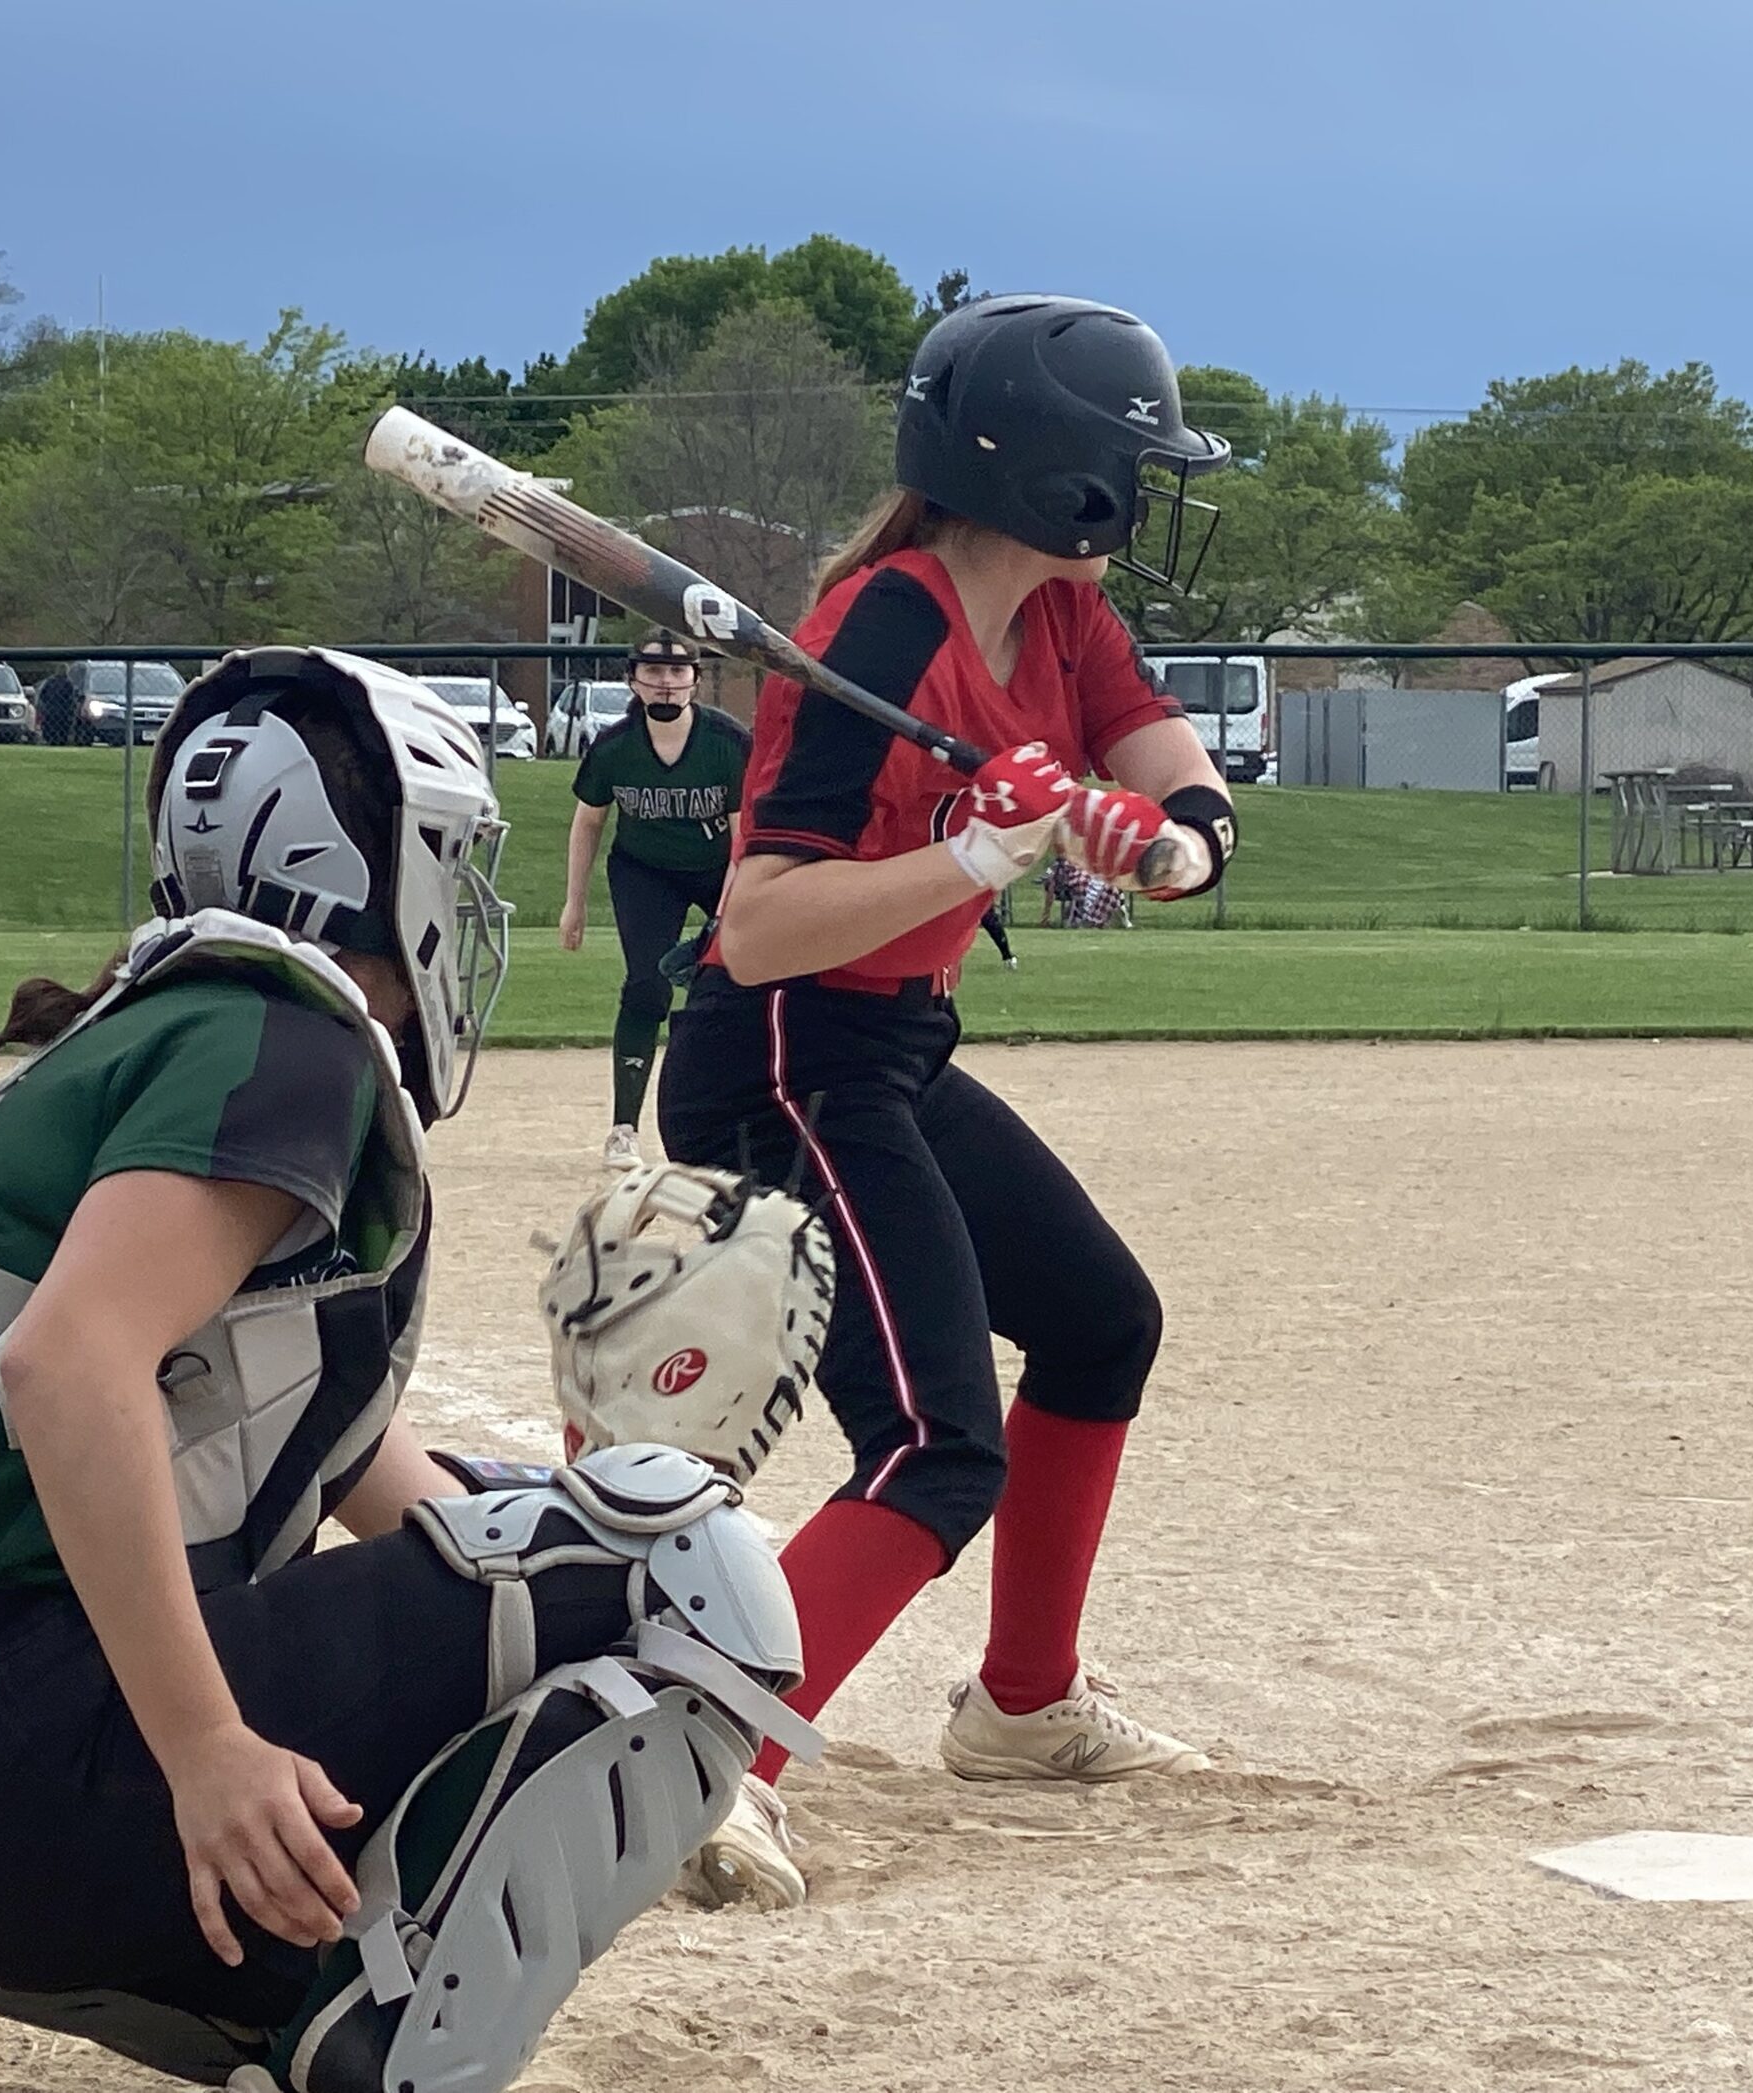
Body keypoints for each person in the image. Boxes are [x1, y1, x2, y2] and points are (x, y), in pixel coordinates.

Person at [0, 648, 829, 2093]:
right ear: (345, 862)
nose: (468, 898)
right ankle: (376, 2052)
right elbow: (67, 1366)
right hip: (5, 1778)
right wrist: (209, 1751)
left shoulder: (165, 1025)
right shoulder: (286, 1035)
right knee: (685, 1555)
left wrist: (611, 1661)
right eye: (448, 854)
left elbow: (337, 1444)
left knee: (547, 1578)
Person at [659, 295, 1245, 1906]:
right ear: (1056, 474)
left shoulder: (1063, 618)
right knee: (931, 1444)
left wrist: (1152, 843)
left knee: (1100, 1323)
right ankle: (710, 1762)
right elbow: (765, 922)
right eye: (1135, 465)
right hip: (779, 1056)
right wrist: (982, 852)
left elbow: (1180, 784)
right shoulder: (880, 631)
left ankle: (1025, 1708)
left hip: (894, 1049)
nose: (1149, 497)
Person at [557, 628, 750, 1172]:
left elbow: (744, 836)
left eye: (676, 672)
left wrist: (728, 911)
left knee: (730, 986)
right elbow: (588, 822)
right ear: (633, 680)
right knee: (647, 983)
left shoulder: (726, 742)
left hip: (719, 869)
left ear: (694, 679)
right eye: (653, 672)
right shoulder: (616, 746)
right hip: (645, 871)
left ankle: (725, 1121)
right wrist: (575, 903)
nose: (665, 684)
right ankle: (623, 1128)